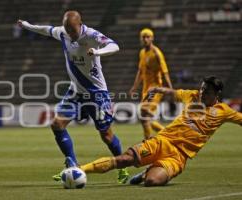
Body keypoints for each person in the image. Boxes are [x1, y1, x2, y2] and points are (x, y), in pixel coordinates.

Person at [17, 10, 129, 183]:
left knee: (106, 135)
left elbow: (115, 46)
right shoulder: (63, 33)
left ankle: (122, 167)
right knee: (57, 124)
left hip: (96, 93)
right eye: (67, 30)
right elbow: (46, 30)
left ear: (80, 24)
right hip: (76, 92)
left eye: (73, 30)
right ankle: (72, 164)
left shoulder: (91, 35)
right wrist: (27, 25)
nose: (70, 34)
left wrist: (98, 52)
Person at [76, 76, 242, 186]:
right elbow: (171, 92)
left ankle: (145, 173)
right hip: (163, 141)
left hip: (179, 156)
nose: (202, 93)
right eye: (202, 88)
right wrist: (155, 89)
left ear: (217, 94)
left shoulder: (224, 111)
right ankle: (80, 169)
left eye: (207, 91)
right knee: (125, 159)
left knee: (152, 182)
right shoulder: (191, 95)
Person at [129, 28, 173, 139]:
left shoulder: (157, 53)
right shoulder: (142, 53)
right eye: (143, 37)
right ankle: (153, 138)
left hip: (156, 88)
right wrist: (134, 87)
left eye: (148, 37)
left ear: (152, 38)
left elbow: (165, 72)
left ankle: (158, 136)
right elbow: (140, 72)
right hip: (146, 89)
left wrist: (171, 89)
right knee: (144, 117)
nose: (145, 39)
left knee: (144, 111)